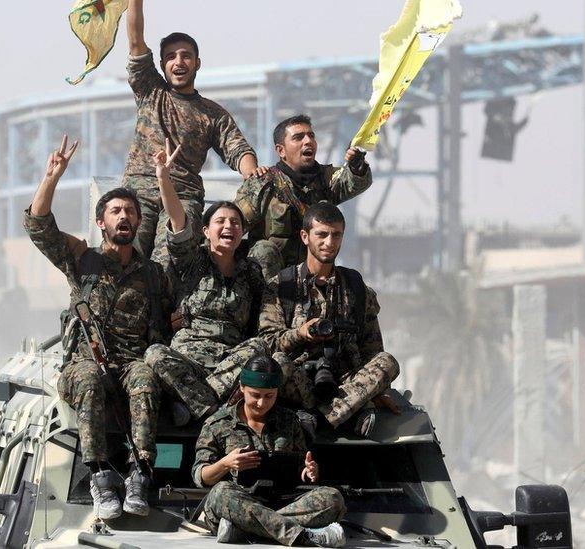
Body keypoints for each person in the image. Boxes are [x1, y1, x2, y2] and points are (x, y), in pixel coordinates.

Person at [24, 135, 171, 519]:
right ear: (101, 221)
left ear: (138, 222)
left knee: (144, 378)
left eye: (130, 212)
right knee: (89, 378)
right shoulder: (82, 259)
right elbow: (39, 226)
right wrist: (51, 178)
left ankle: (140, 473)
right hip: (82, 364)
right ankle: (101, 475)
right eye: (116, 211)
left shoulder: (153, 274)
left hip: (128, 364)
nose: (124, 217)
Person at [143, 140, 272, 426]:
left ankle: (197, 404)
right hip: (187, 362)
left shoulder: (250, 271)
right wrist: (164, 179)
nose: (229, 227)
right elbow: (178, 222)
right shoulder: (193, 261)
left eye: (236, 223)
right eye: (221, 222)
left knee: (259, 347)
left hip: (229, 363)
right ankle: (214, 413)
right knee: (154, 354)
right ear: (206, 231)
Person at [123, 0, 260, 264]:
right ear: (162, 64)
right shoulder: (151, 90)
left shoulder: (212, 113)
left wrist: (250, 171)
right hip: (139, 192)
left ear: (197, 63)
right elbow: (135, 39)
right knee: (129, 258)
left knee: (172, 260)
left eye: (186, 55)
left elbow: (238, 149)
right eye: (171, 57)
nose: (179, 61)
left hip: (182, 196)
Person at [259, 202, 400, 436]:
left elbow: (372, 345)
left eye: (336, 235)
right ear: (305, 237)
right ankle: (345, 413)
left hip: (344, 381)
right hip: (298, 379)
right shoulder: (281, 286)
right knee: (277, 362)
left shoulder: (355, 287)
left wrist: (379, 390)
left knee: (387, 362)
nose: (329, 243)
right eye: (321, 235)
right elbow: (268, 342)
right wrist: (300, 333)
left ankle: (322, 417)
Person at [193, 355, 347, 547]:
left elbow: (300, 465)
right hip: (240, 501)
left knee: (332, 498)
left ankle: (244, 529)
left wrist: (308, 472)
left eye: (269, 396)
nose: (261, 403)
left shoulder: (289, 421)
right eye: (255, 395)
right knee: (220, 493)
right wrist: (225, 463)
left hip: (282, 501)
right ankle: (305, 536)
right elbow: (201, 476)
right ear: (241, 387)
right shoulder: (217, 424)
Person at [234, 114, 373, 280]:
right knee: (264, 250)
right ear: (281, 150)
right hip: (271, 286)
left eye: (311, 136)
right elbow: (232, 226)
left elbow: (353, 183)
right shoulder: (263, 184)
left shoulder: (326, 178)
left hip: (310, 277)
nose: (308, 141)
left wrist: (357, 166)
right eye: (298, 137)